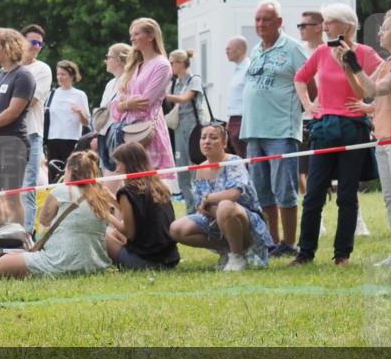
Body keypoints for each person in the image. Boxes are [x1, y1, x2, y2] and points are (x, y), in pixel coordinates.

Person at [291, 3, 383, 267]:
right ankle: (305, 252)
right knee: (313, 194)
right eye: (325, 21)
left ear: (347, 26)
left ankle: (342, 254)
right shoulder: (321, 52)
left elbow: (382, 84)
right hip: (324, 128)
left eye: (330, 22)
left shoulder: (365, 52)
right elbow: (300, 78)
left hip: (353, 128)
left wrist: (369, 106)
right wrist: (309, 105)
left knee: (346, 195)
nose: (325, 26)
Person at [340, 10, 391, 267]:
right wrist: (346, 66)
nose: (379, 33)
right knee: (390, 199)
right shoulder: (386, 63)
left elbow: (378, 88)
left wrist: (355, 64)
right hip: (384, 138)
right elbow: (365, 92)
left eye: (385, 28)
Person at [239, 0, 308, 257]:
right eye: (257, 19)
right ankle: (272, 241)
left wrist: (306, 107)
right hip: (254, 130)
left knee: (284, 190)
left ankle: (289, 243)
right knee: (262, 190)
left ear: (279, 22)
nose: (260, 24)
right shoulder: (256, 50)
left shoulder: (293, 48)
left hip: (281, 130)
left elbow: (309, 81)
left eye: (266, 19)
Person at [169, 122, 274, 271]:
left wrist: (209, 198)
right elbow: (201, 206)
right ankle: (227, 251)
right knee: (176, 229)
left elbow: (234, 193)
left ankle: (238, 256)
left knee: (225, 206)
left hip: (244, 218)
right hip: (214, 218)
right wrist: (208, 205)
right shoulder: (200, 168)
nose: (207, 141)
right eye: (203, 137)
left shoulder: (234, 161)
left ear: (224, 142)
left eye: (213, 138)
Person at [0, 151, 113, 278]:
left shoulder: (61, 190)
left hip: (59, 262)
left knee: (0, 264)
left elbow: (43, 220)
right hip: (96, 265)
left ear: (71, 170)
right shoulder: (100, 196)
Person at [0, 27, 35, 230]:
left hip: (13, 143)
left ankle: (16, 239)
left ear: (8, 48)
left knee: (11, 196)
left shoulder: (23, 76)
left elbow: (13, 111)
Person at [110, 18, 174, 171]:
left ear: (151, 36)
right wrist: (126, 103)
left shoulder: (162, 65)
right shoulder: (135, 66)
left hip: (147, 131)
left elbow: (145, 102)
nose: (132, 38)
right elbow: (116, 102)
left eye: (136, 34)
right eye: (131, 34)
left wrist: (124, 103)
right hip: (128, 130)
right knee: (129, 176)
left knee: (149, 175)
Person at [104, 142, 180, 271]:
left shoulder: (127, 192)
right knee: (115, 233)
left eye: (118, 164)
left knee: (105, 236)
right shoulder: (159, 186)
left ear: (128, 164)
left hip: (147, 261)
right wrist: (111, 199)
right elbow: (137, 213)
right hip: (169, 258)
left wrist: (106, 216)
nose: (117, 170)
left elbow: (129, 233)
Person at [163, 49, 207, 214]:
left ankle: (202, 207)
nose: (170, 66)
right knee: (182, 171)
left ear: (181, 63)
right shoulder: (174, 83)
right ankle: (191, 210)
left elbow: (184, 99)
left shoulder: (193, 80)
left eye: (172, 63)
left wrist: (164, 94)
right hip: (179, 128)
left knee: (195, 167)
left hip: (195, 128)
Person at [19, 24, 53, 234]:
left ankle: (27, 234)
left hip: (31, 134)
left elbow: (30, 101)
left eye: (40, 43)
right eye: (32, 41)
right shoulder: (9, 68)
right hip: (7, 136)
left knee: (27, 187)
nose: (36, 46)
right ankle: (10, 233)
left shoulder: (42, 69)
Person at [44, 59, 90, 184]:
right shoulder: (51, 94)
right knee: (53, 174)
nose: (60, 77)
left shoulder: (79, 95)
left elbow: (86, 122)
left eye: (63, 74)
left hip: (71, 139)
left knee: (71, 173)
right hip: (53, 139)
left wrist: (80, 112)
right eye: (58, 74)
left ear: (72, 75)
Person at [297, 11, 325, 194]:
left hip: (326, 118)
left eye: (304, 25)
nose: (300, 29)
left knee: (334, 172)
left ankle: (357, 220)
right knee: (302, 171)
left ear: (318, 27)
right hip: (304, 120)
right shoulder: (299, 51)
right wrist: (306, 104)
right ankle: (316, 215)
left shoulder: (331, 50)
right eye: (299, 26)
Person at [97, 43, 131, 174]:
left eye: (108, 57)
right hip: (104, 134)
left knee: (116, 175)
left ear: (117, 60)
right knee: (106, 174)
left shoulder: (129, 80)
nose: (105, 60)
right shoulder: (110, 83)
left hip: (118, 134)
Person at [224, 37, 249, 158]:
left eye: (229, 49)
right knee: (240, 157)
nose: (226, 52)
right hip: (234, 119)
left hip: (243, 120)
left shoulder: (248, 69)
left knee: (245, 157)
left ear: (239, 50)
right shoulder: (237, 69)